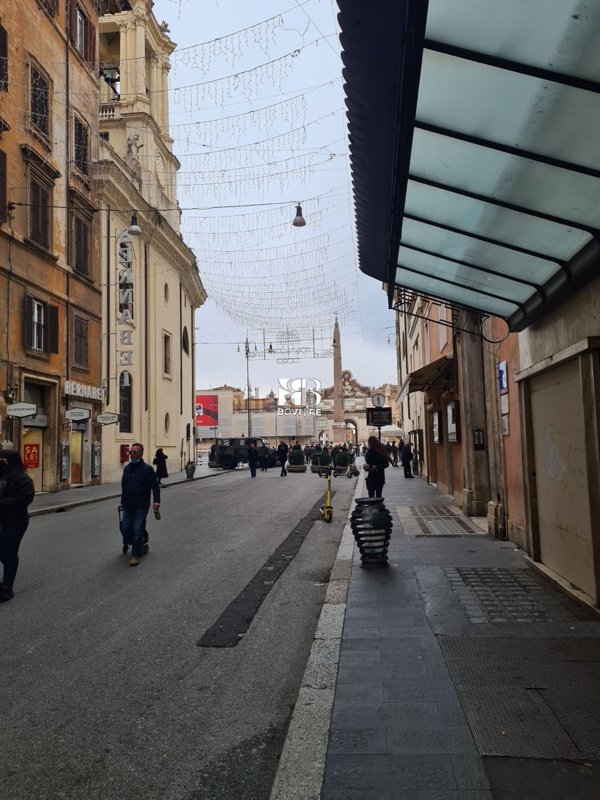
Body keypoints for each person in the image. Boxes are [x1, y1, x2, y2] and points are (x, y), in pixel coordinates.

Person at [0, 450, 35, 602]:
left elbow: (26, 498)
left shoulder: (22, 477)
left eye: (3, 460)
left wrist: (3, 503)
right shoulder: (2, 475)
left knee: (9, 552)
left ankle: (7, 588)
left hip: (16, 521)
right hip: (2, 520)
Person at [120, 443, 160, 567]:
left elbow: (155, 486)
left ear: (141, 454)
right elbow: (124, 486)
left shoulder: (147, 469)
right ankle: (141, 538)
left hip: (141, 505)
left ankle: (135, 554)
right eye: (130, 452)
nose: (131, 454)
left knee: (137, 528)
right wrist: (122, 502)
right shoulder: (126, 469)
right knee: (125, 528)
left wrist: (156, 501)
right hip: (128, 504)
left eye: (134, 452)